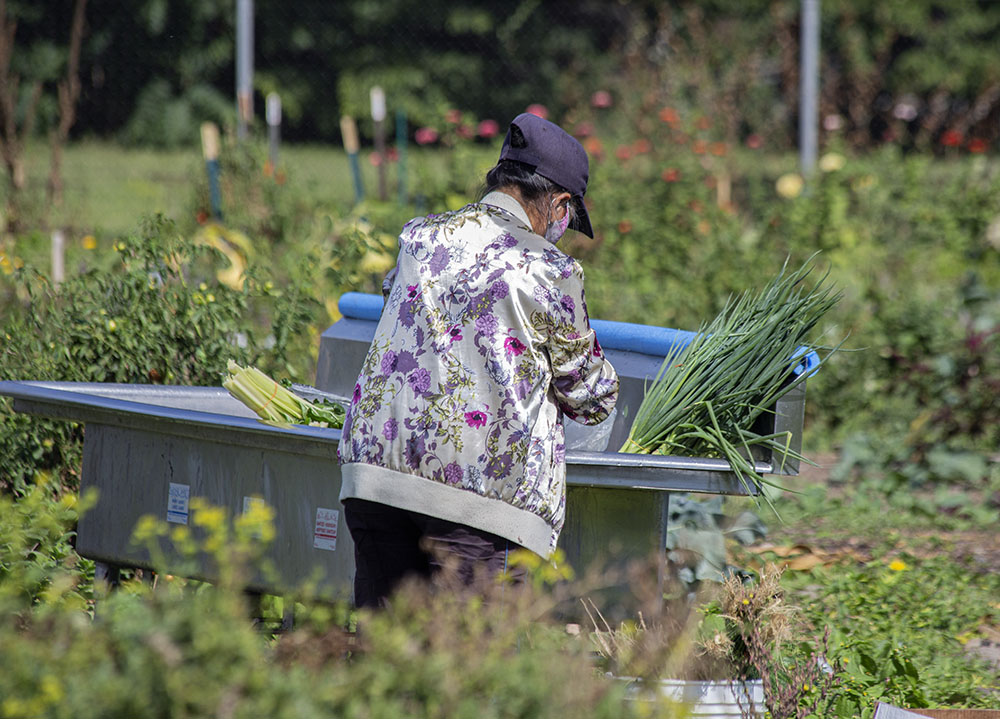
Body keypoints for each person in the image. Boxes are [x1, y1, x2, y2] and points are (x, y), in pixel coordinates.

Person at [337, 112, 619, 608]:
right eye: (567, 220)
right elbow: (590, 396)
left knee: (384, 666)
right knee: (468, 671)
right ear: (559, 203)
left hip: (375, 480)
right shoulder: (549, 269)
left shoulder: (418, 238)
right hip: (474, 500)